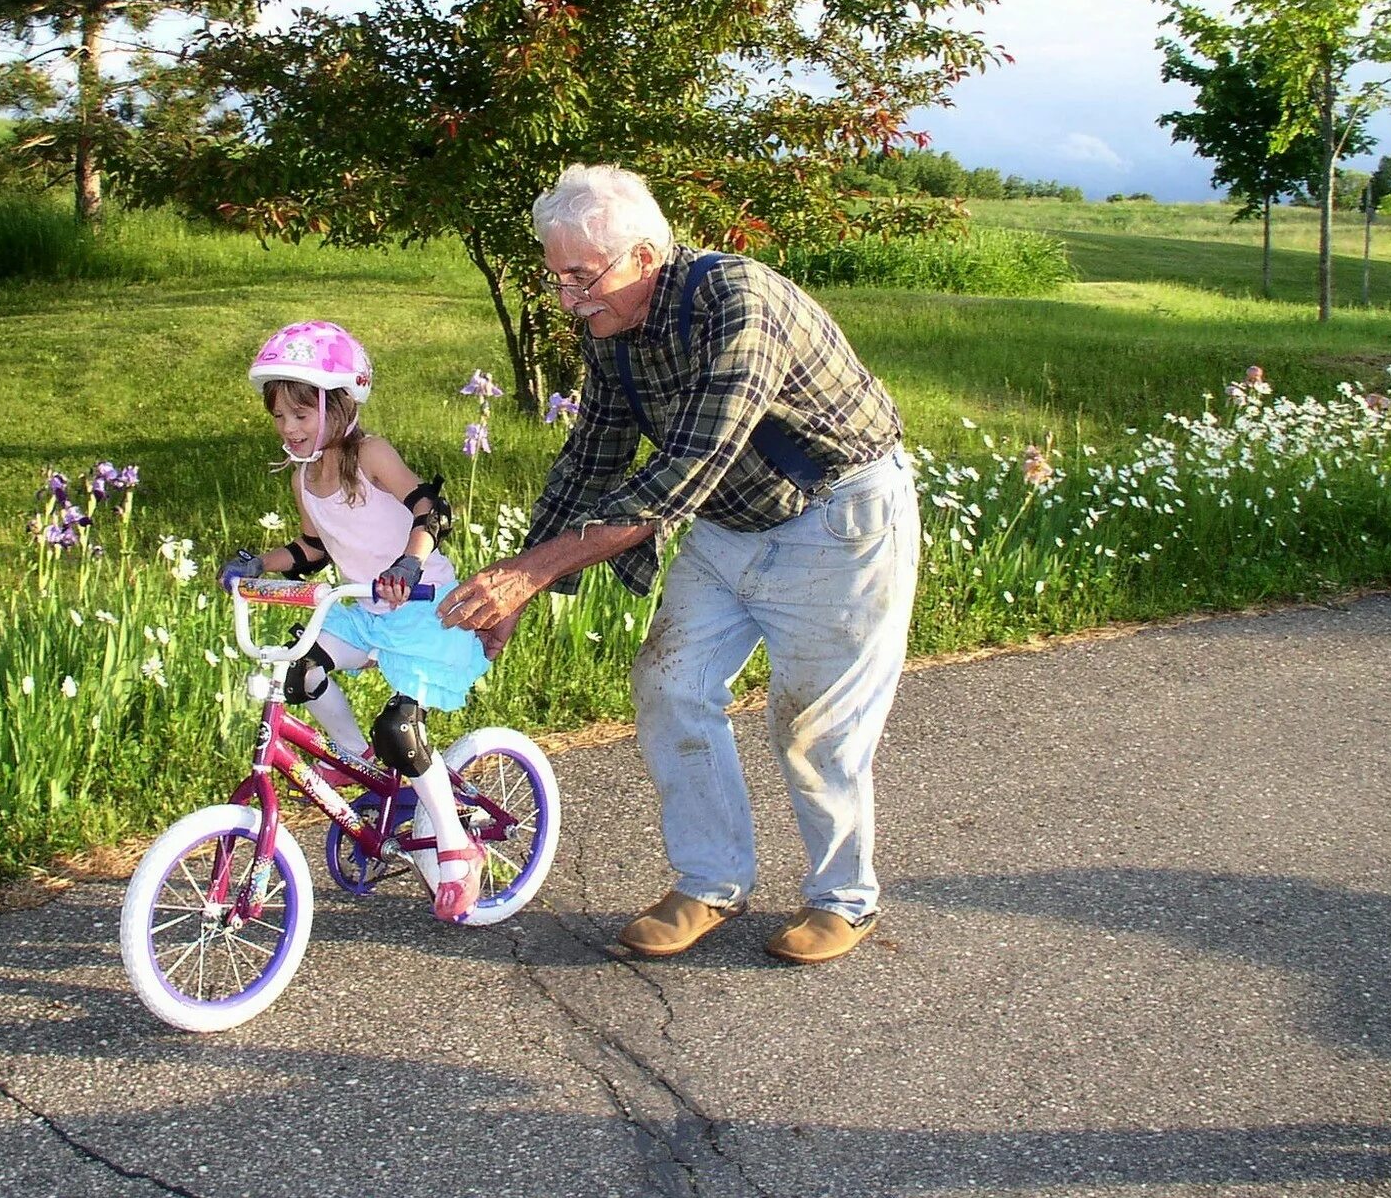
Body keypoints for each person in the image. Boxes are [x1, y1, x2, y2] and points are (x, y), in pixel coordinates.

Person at [439, 164, 918, 963]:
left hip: (837, 519)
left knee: (813, 727)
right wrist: (521, 582)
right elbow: (591, 459)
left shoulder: (739, 303)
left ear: (644, 256)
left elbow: (683, 472)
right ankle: (711, 883)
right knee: (669, 684)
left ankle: (844, 898)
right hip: (731, 522)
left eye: (581, 276)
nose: (567, 298)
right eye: (556, 276)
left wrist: (535, 572)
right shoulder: (611, 331)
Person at [222, 320, 491, 921]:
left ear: (339, 405)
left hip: (424, 609)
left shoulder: (369, 454)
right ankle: (356, 761)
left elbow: (430, 506)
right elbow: (311, 552)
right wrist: (254, 563)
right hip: (366, 610)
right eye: (280, 418)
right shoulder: (303, 477)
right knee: (299, 671)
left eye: (302, 414)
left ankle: (455, 847)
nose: (290, 429)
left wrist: (408, 563)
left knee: (401, 730)